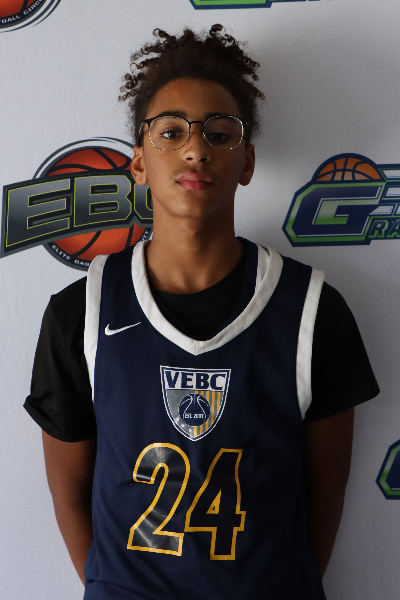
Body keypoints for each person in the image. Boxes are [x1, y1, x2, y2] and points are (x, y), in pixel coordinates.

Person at [25, 25, 379, 600]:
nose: (195, 149)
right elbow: (69, 493)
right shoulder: (79, 313)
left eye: (219, 133)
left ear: (247, 161)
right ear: (139, 163)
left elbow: (325, 494)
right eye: (171, 132)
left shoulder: (314, 310)